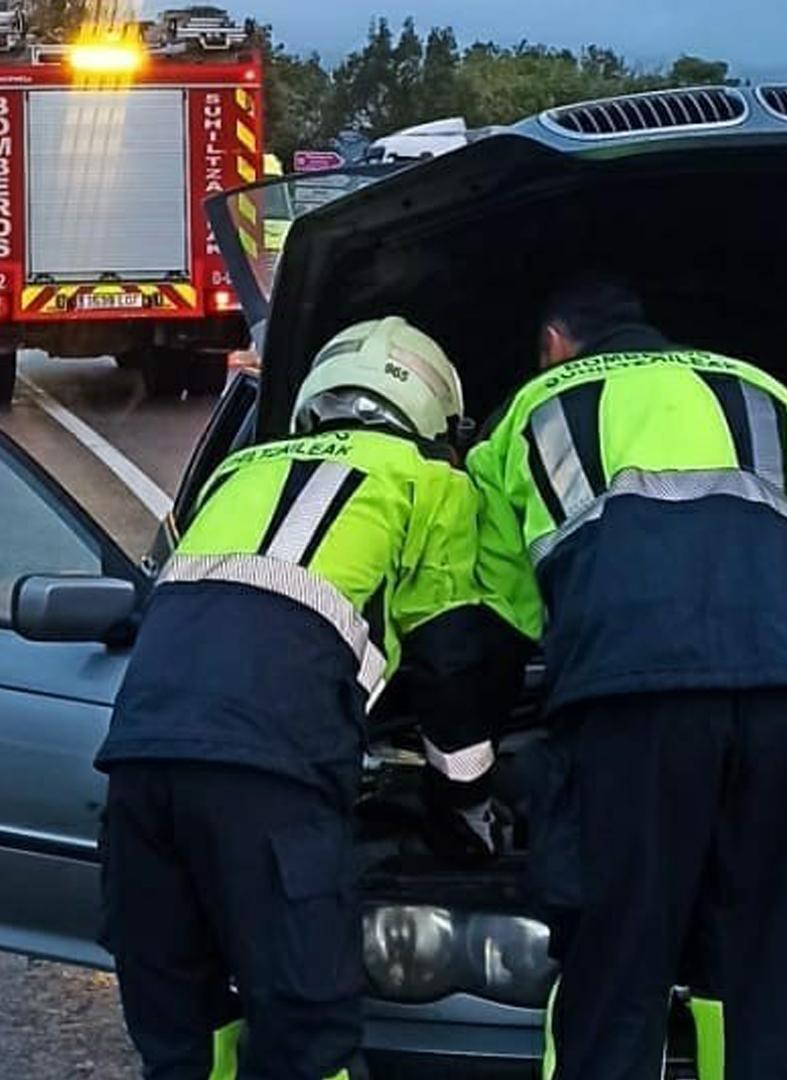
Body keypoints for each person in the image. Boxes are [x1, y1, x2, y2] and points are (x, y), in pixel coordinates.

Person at [462, 280, 787, 1079]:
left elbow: (500, 611)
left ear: (554, 341)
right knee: (778, 961)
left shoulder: (532, 410)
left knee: (620, 954)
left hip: (633, 695)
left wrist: (472, 743)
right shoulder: (766, 393)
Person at [95, 316, 513, 1080]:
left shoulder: (239, 471)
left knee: (183, 1034)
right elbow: (451, 658)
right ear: (437, 419)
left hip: (139, 769)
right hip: (269, 778)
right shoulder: (431, 484)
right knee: (307, 1038)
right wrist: (467, 801)